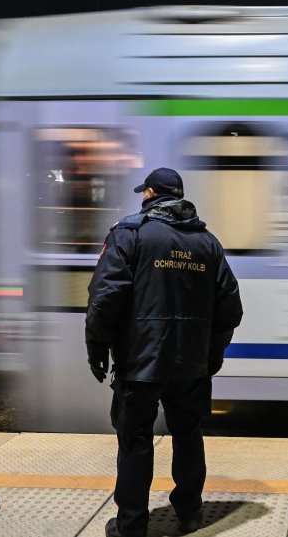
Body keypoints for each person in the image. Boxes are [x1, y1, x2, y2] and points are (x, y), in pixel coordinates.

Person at [85, 167, 243, 537]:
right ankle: (189, 512)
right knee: (188, 434)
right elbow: (231, 308)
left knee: (136, 440)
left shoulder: (130, 235)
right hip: (191, 363)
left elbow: (105, 297)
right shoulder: (207, 243)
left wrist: (97, 346)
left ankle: (132, 524)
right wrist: (212, 355)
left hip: (140, 362)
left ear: (151, 194)